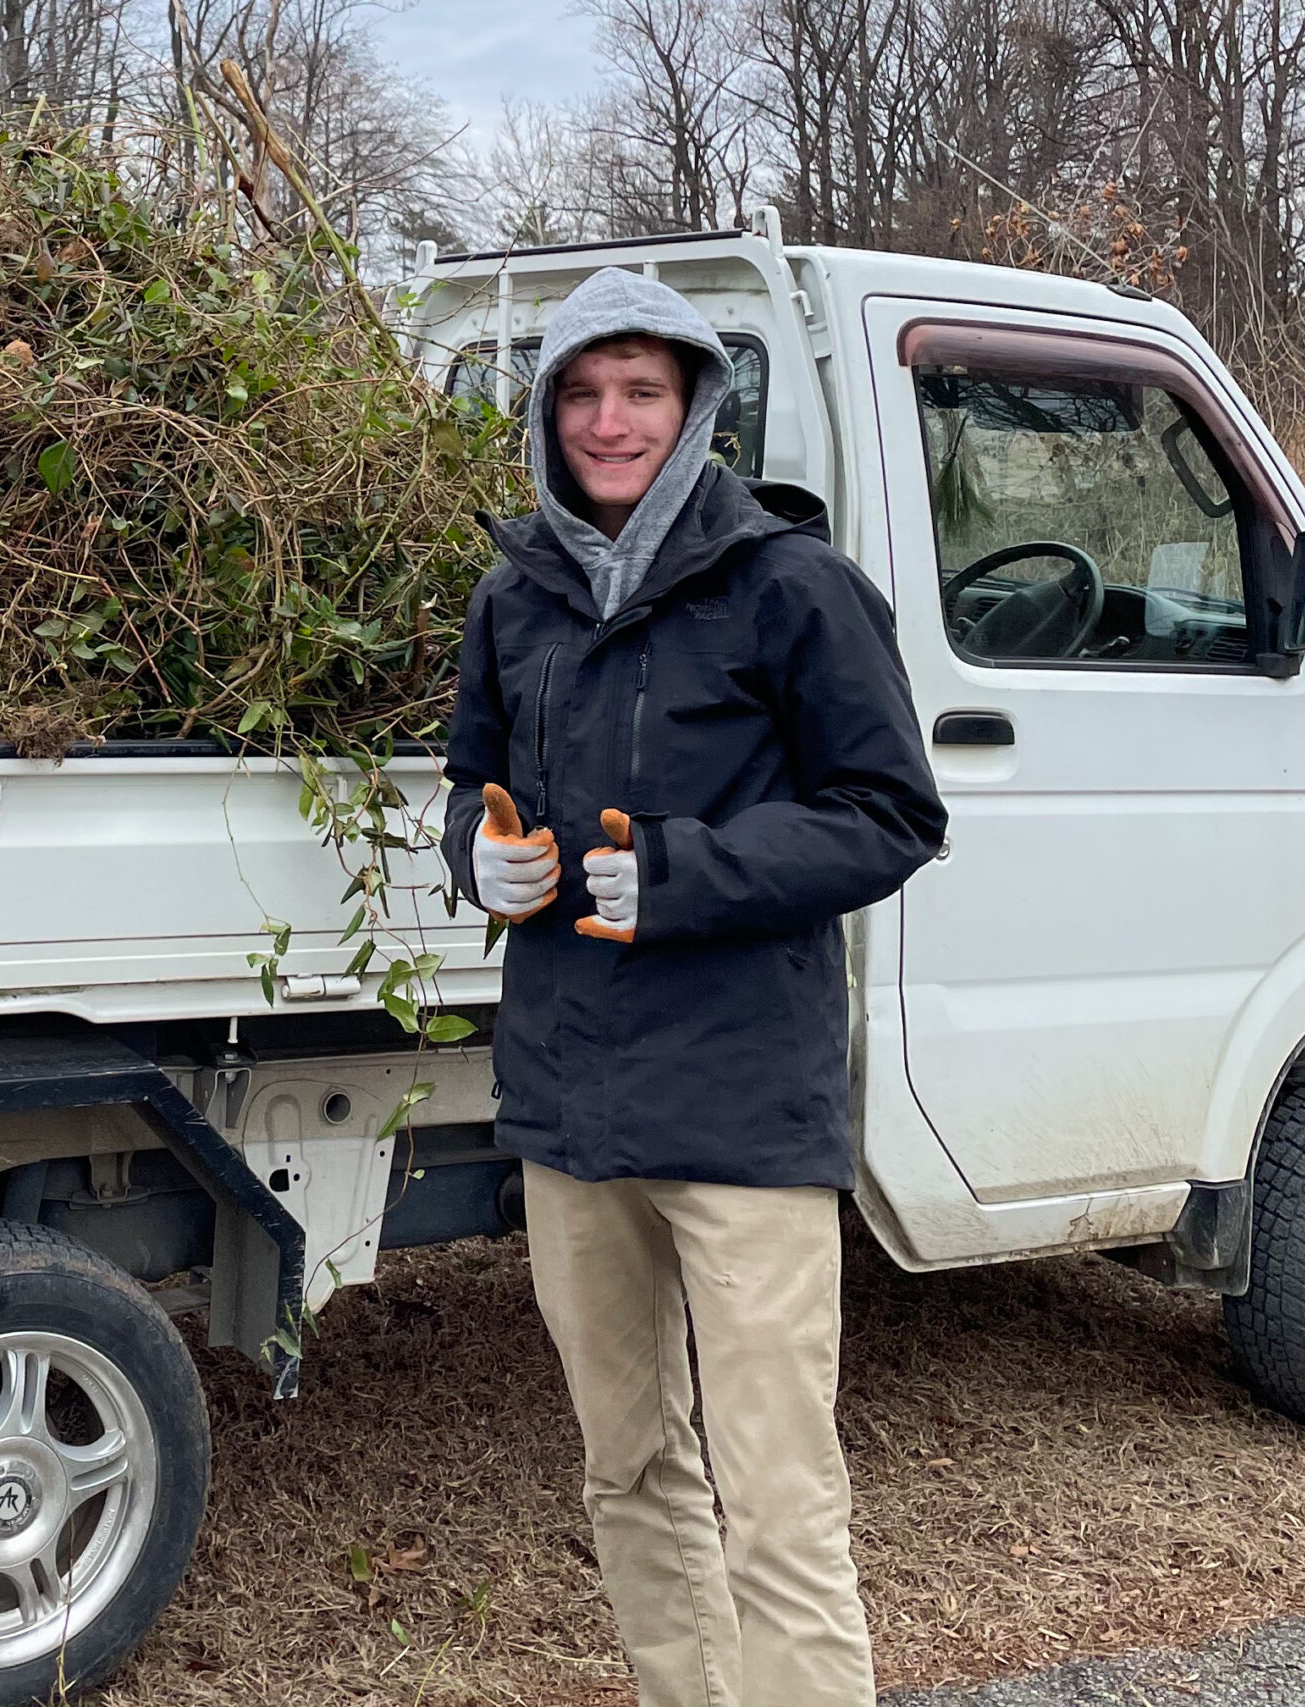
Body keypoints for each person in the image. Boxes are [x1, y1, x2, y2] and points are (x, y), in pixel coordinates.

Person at [442, 266, 946, 1706]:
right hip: (571, 1104)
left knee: (779, 1500)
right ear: (546, 410)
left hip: (737, 1108)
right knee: (632, 1467)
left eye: (642, 391)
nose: (611, 421)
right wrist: (479, 855)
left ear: (698, 406)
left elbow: (890, 811)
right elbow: (472, 780)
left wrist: (681, 876)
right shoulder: (517, 592)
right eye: (583, 392)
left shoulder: (791, 585)